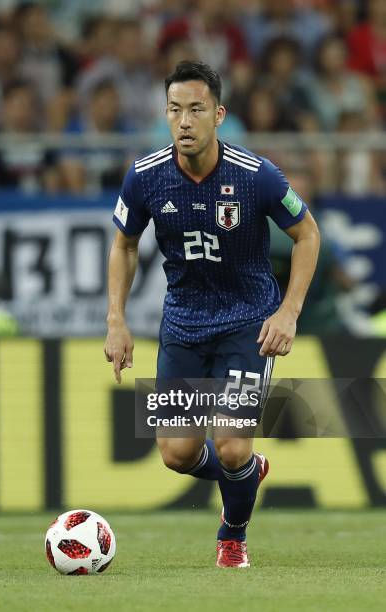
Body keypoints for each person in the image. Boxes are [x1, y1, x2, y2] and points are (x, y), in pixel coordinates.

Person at [104, 61, 320, 568]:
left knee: (229, 444)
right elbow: (124, 244)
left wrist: (288, 312)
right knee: (177, 454)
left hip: (249, 321)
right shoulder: (145, 176)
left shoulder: (256, 176)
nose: (184, 121)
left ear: (218, 115)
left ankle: (233, 535)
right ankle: (248, 472)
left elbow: (307, 234)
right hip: (182, 324)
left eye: (196, 109)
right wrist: (116, 319)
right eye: (175, 110)